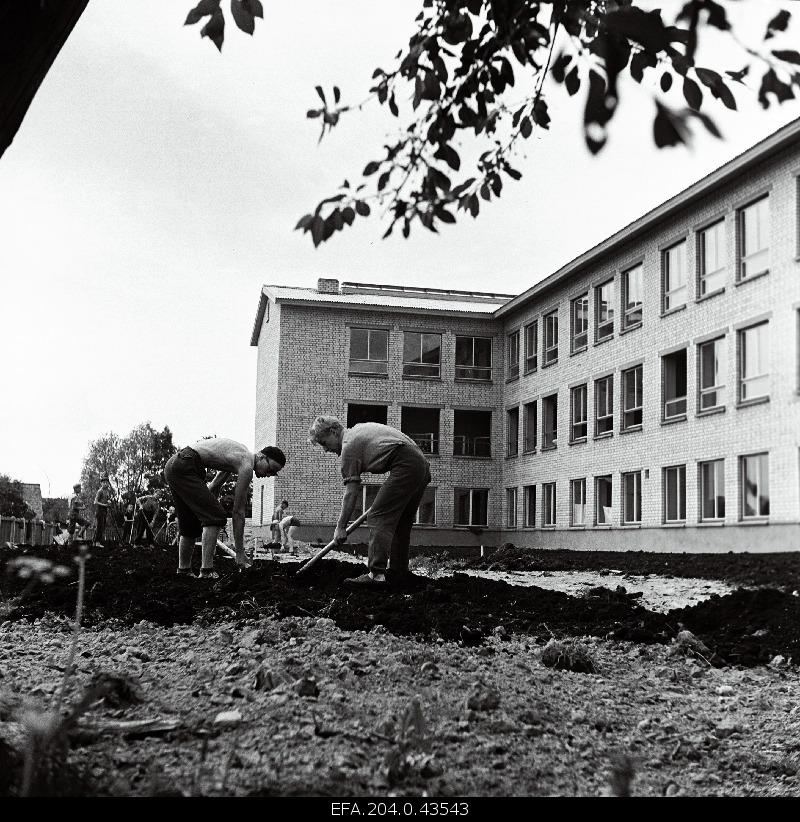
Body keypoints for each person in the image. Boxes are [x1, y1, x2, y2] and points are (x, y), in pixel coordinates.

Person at [308, 416, 431, 588]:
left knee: (377, 516)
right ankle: (398, 572)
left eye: (324, 443)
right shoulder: (358, 430)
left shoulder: (348, 447)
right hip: (421, 464)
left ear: (334, 432)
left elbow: (351, 493)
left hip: (407, 464)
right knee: (400, 524)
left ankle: (376, 574)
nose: (325, 450)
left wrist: (341, 527)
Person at [164, 437, 285, 579]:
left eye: (273, 474)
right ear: (261, 456)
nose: (268, 475)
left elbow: (215, 485)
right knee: (217, 516)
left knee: (190, 523)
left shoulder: (238, 454)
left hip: (174, 465)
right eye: (271, 469)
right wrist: (240, 552)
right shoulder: (246, 465)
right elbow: (238, 512)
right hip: (187, 464)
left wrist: (204, 507)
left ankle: (183, 571)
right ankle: (206, 571)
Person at [93, 476, 113, 547]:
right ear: (101, 483)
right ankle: (97, 542)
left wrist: (109, 502)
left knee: (102, 526)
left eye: (106, 482)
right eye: (103, 482)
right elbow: (95, 502)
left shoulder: (107, 491)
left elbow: (108, 499)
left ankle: (95, 542)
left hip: (104, 510)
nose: (105, 484)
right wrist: (104, 505)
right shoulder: (100, 491)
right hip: (100, 510)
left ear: (108, 483)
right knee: (100, 526)